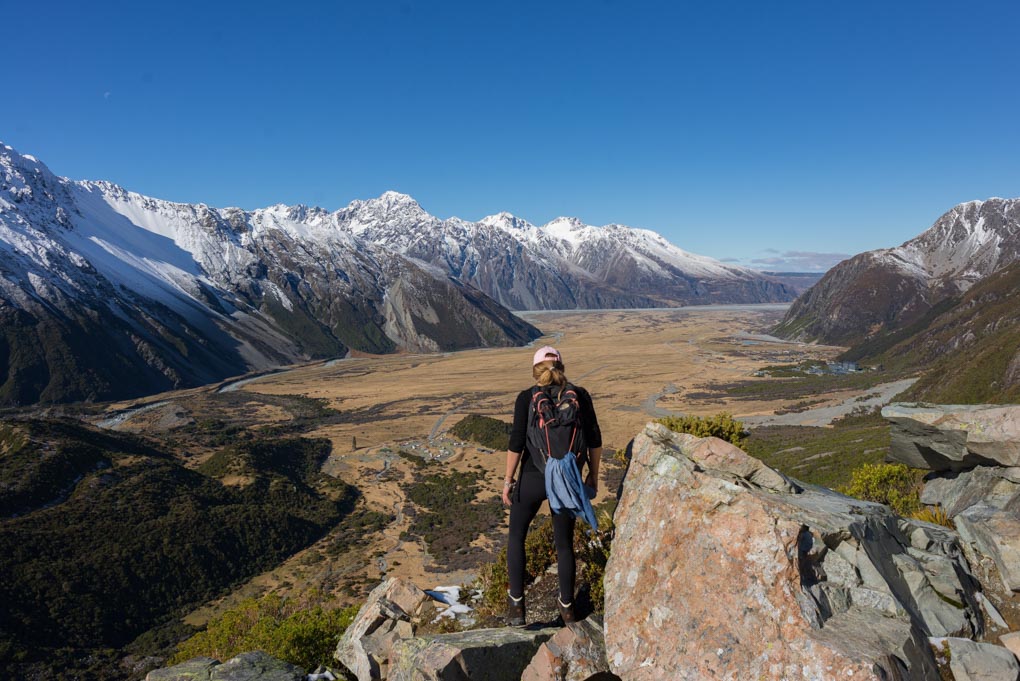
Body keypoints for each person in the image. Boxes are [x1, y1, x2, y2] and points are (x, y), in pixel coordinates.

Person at [501, 345, 602, 626]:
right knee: (564, 544)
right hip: (566, 479)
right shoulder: (579, 396)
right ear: (562, 368)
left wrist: (508, 481)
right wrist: (592, 477)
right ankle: (567, 608)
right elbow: (594, 439)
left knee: (516, 537)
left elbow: (517, 442)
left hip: (534, 476)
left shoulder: (526, 398)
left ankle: (517, 608)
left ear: (535, 371)